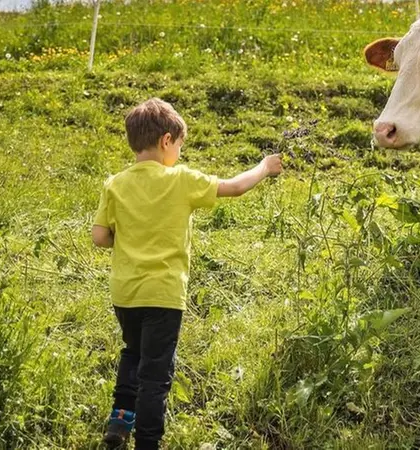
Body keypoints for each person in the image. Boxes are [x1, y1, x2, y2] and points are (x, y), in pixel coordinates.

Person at [91, 98, 282, 449]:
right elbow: (235, 187)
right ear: (167, 141)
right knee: (155, 377)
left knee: (132, 352)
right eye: (180, 145)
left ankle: (119, 421)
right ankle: (148, 443)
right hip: (163, 295)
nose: (179, 152)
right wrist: (264, 167)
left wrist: (131, 234)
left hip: (125, 293)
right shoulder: (180, 180)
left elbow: (100, 238)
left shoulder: (114, 184)